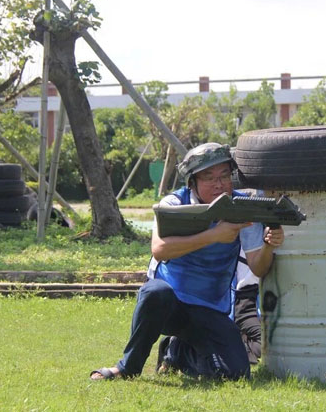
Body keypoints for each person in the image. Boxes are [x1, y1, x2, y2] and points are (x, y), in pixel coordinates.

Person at [90, 142, 284, 380]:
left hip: (210, 309)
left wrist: (269, 245)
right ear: (192, 182)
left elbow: (258, 267)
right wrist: (214, 235)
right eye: (209, 177)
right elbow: (160, 249)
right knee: (154, 293)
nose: (219, 183)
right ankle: (127, 367)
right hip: (168, 305)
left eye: (225, 175)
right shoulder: (173, 203)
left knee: (235, 374)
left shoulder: (244, 207)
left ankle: (175, 352)